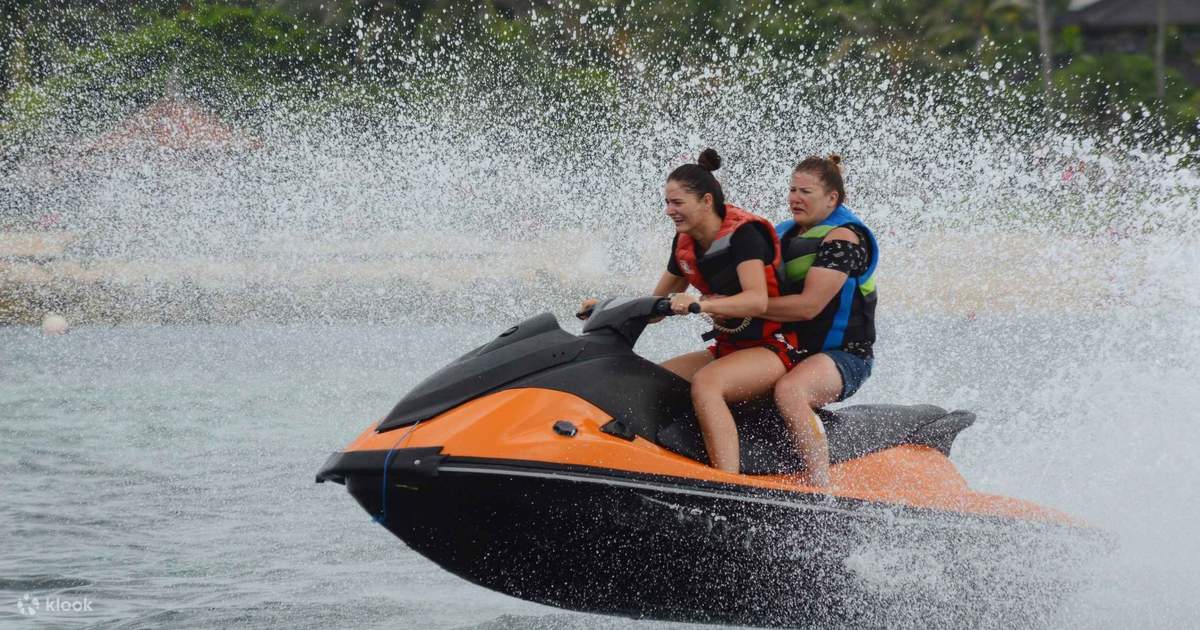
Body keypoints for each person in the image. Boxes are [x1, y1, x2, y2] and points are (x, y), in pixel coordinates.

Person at [581, 148, 792, 474]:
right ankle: (643, 464)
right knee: (650, 381)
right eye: (667, 203)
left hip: (775, 350)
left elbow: (756, 301)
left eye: (677, 203)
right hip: (728, 350)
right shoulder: (683, 243)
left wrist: (701, 304)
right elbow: (655, 307)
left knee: (707, 385)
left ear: (706, 201)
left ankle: (727, 484)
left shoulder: (745, 236)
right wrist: (607, 307)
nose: (669, 211)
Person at [764, 155, 879, 488]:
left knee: (791, 391)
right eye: (792, 190)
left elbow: (808, 307)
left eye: (806, 192)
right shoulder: (782, 233)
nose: (795, 198)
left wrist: (746, 307)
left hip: (845, 356)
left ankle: (819, 490)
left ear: (832, 198)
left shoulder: (846, 238)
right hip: (788, 349)